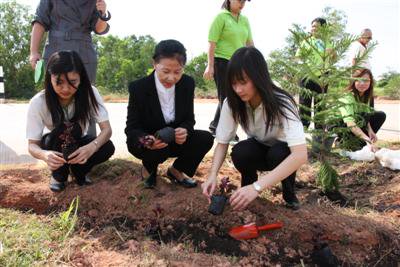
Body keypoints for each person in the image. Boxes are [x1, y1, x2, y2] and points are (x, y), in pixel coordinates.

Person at [202, 47, 307, 211]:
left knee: (279, 153)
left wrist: (258, 188)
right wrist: (212, 175)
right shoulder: (232, 103)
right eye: (234, 83)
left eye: (243, 82)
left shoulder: (282, 102)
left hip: (282, 151)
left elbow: (300, 155)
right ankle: (247, 186)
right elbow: (222, 142)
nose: (238, 89)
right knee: (240, 152)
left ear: (258, 77)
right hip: (259, 145)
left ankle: (289, 193)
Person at [125, 40, 214, 189]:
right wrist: (147, 140)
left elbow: (189, 120)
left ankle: (176, 170)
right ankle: (149, 170)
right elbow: (132, 128)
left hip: (175, 141)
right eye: (165, 71)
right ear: (154, 64)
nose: (171, 78)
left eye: (177, 72)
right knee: (159, 147)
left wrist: (185, 130)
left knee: (205, 138)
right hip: (149, 144)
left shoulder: (187, 83)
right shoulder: (138, 88)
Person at [26, 51, 115, 192]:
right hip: (55, 145)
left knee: (107, 147)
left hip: (78, 144)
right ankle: (59, 176)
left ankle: (79, 171)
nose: (66, 89)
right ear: (50, 78)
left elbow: (107, 130)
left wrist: (92, 147)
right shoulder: (38, 102)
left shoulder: (90, 93)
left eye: (73, 82)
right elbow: (32, 145)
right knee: (63, 129)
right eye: (59, 82)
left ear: (81, 78)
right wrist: (44, 155)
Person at [203, 0, 253, 139]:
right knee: (226, 97)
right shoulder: (221, 17)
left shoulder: (244, 20)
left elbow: (249, 43)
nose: (242, 4)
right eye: (239, 0)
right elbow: (211, 43)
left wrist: (256, 62)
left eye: (244, 1)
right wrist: (210, 65)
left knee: (235, 96)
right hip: (221, 62)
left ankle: (215, 125)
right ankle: (226, 131)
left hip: (238, 63)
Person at [296, 17, 333, 129]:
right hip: (306, 76)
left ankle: (319, 132)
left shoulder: (327, 42)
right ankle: (303, 129)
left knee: (320, 105)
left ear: (323, 28)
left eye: (316, 26)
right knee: (304, 104)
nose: (313, 29)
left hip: (322, 77)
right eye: (312, 26)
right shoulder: (305, 42)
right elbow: (297, 57)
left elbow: (333, 56)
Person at [338, 68, 385, 152]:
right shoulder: (347, 97)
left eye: (366, 81)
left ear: (371, 82)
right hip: (343, 125)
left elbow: (366, 116)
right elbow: (350, 123)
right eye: (359, 80)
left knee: (380, 115)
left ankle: (361, 142)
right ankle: (341, 141)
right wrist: (367, 139)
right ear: (353, 81)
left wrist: (370, 131)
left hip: (356, 124)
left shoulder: (366, 96)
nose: (362, 83)